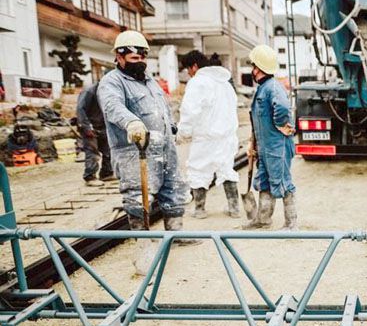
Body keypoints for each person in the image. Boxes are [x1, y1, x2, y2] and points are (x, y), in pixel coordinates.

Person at [97, 30, 190, 234]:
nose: (139, 62)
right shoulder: (112, 82)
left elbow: (162, 108)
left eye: (142, 57)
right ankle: (143, 241)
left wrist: (173, 127)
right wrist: (131, 122)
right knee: (139, 197)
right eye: (133, 58)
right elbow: (112, 106)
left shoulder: (150, 81)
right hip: (135, 151)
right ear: (119, 57)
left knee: (174, 190)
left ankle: (176, 234)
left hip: (165, 149)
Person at [177, 50, 240, 218]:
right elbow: (233, 107)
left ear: (195, 66)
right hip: (226, 136)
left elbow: (190, 110)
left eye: (188, 70)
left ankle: (199, 209)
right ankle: (234, 208)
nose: (189, 74)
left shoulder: (198, 82)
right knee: (227, 169)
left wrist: (183, 132)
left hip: (205, 137)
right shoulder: (225, 83)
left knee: (198, 169)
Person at [245, 44, 297, 230]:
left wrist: (281, 124)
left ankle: (291, 224)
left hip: (277, 147)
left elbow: (282, 108)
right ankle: (263, 219)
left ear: (259, 68)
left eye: (254, 66)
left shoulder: (273, 87)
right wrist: (255, 145)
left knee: (283, 182)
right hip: (266, 148)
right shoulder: (263, 88)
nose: (252, 70)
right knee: (264, 182)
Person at [76, 82, 114, 186]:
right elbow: (80, 109)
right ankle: (90, 177)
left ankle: (106, 173)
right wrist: (86, 126)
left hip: (103, 125)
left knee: (108, 150)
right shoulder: (89, 91)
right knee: (92, 152)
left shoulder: (109, 91)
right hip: (90, 126)